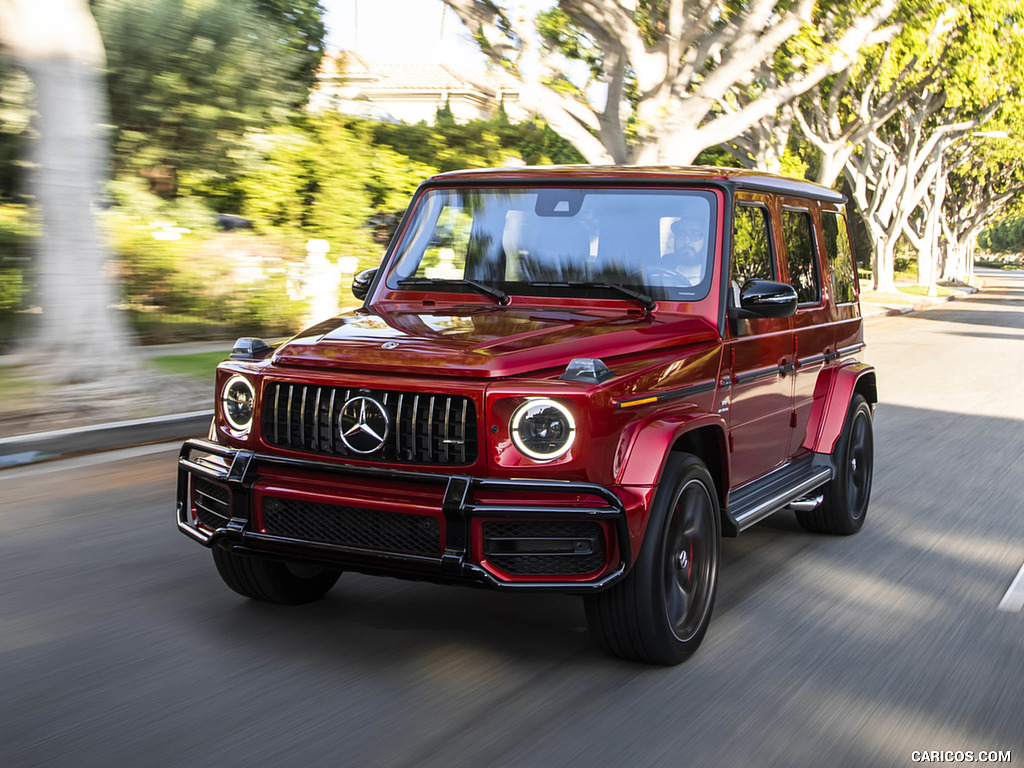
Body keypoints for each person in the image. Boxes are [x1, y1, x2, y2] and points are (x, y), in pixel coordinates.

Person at [660, 217, 708, 285]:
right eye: (681, 234)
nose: (686, 241)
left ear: (706, 239)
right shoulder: (663, 274)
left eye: (694, 235)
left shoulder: (711, 278)